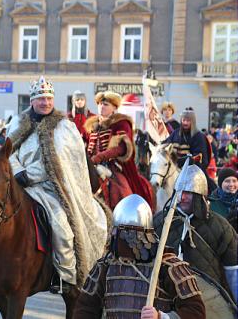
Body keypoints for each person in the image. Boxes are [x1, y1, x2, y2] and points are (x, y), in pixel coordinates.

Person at [6, 76, 108, 293]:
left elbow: (60, 162)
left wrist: (30, 175)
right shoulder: (16, 123)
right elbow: (8, 152)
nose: (45, 102)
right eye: (41, 98)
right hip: (18, 185)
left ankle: (66, 277)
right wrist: (18, 172)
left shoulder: (65, 127)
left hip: (51, 189)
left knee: (62, 227)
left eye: (49, 98)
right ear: (32, 101)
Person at [73, 194, 206, 319]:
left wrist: (161, 317)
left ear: (134, 235)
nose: (113, 236)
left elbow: (196, 312)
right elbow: (85, 309)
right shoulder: (105, 266)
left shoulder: (168, 266)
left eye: (119, 231)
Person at [154, 163, 238, 312]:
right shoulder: (160, 222)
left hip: (208, 299)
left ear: (199, 195)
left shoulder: (220, 226)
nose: (182, 197)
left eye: (188, 192)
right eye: (179, 191)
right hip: (166, 297)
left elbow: (233, 272)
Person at [85, 91, 154, 210]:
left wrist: (99, 157)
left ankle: (126, 214)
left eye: (106, 105)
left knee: (122, 190)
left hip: (112, 166)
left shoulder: (121, 123)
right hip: (90, 164)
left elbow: (121, 148)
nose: (102, 107)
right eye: (100, 104)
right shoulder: (93, 125)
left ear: (114, 108)